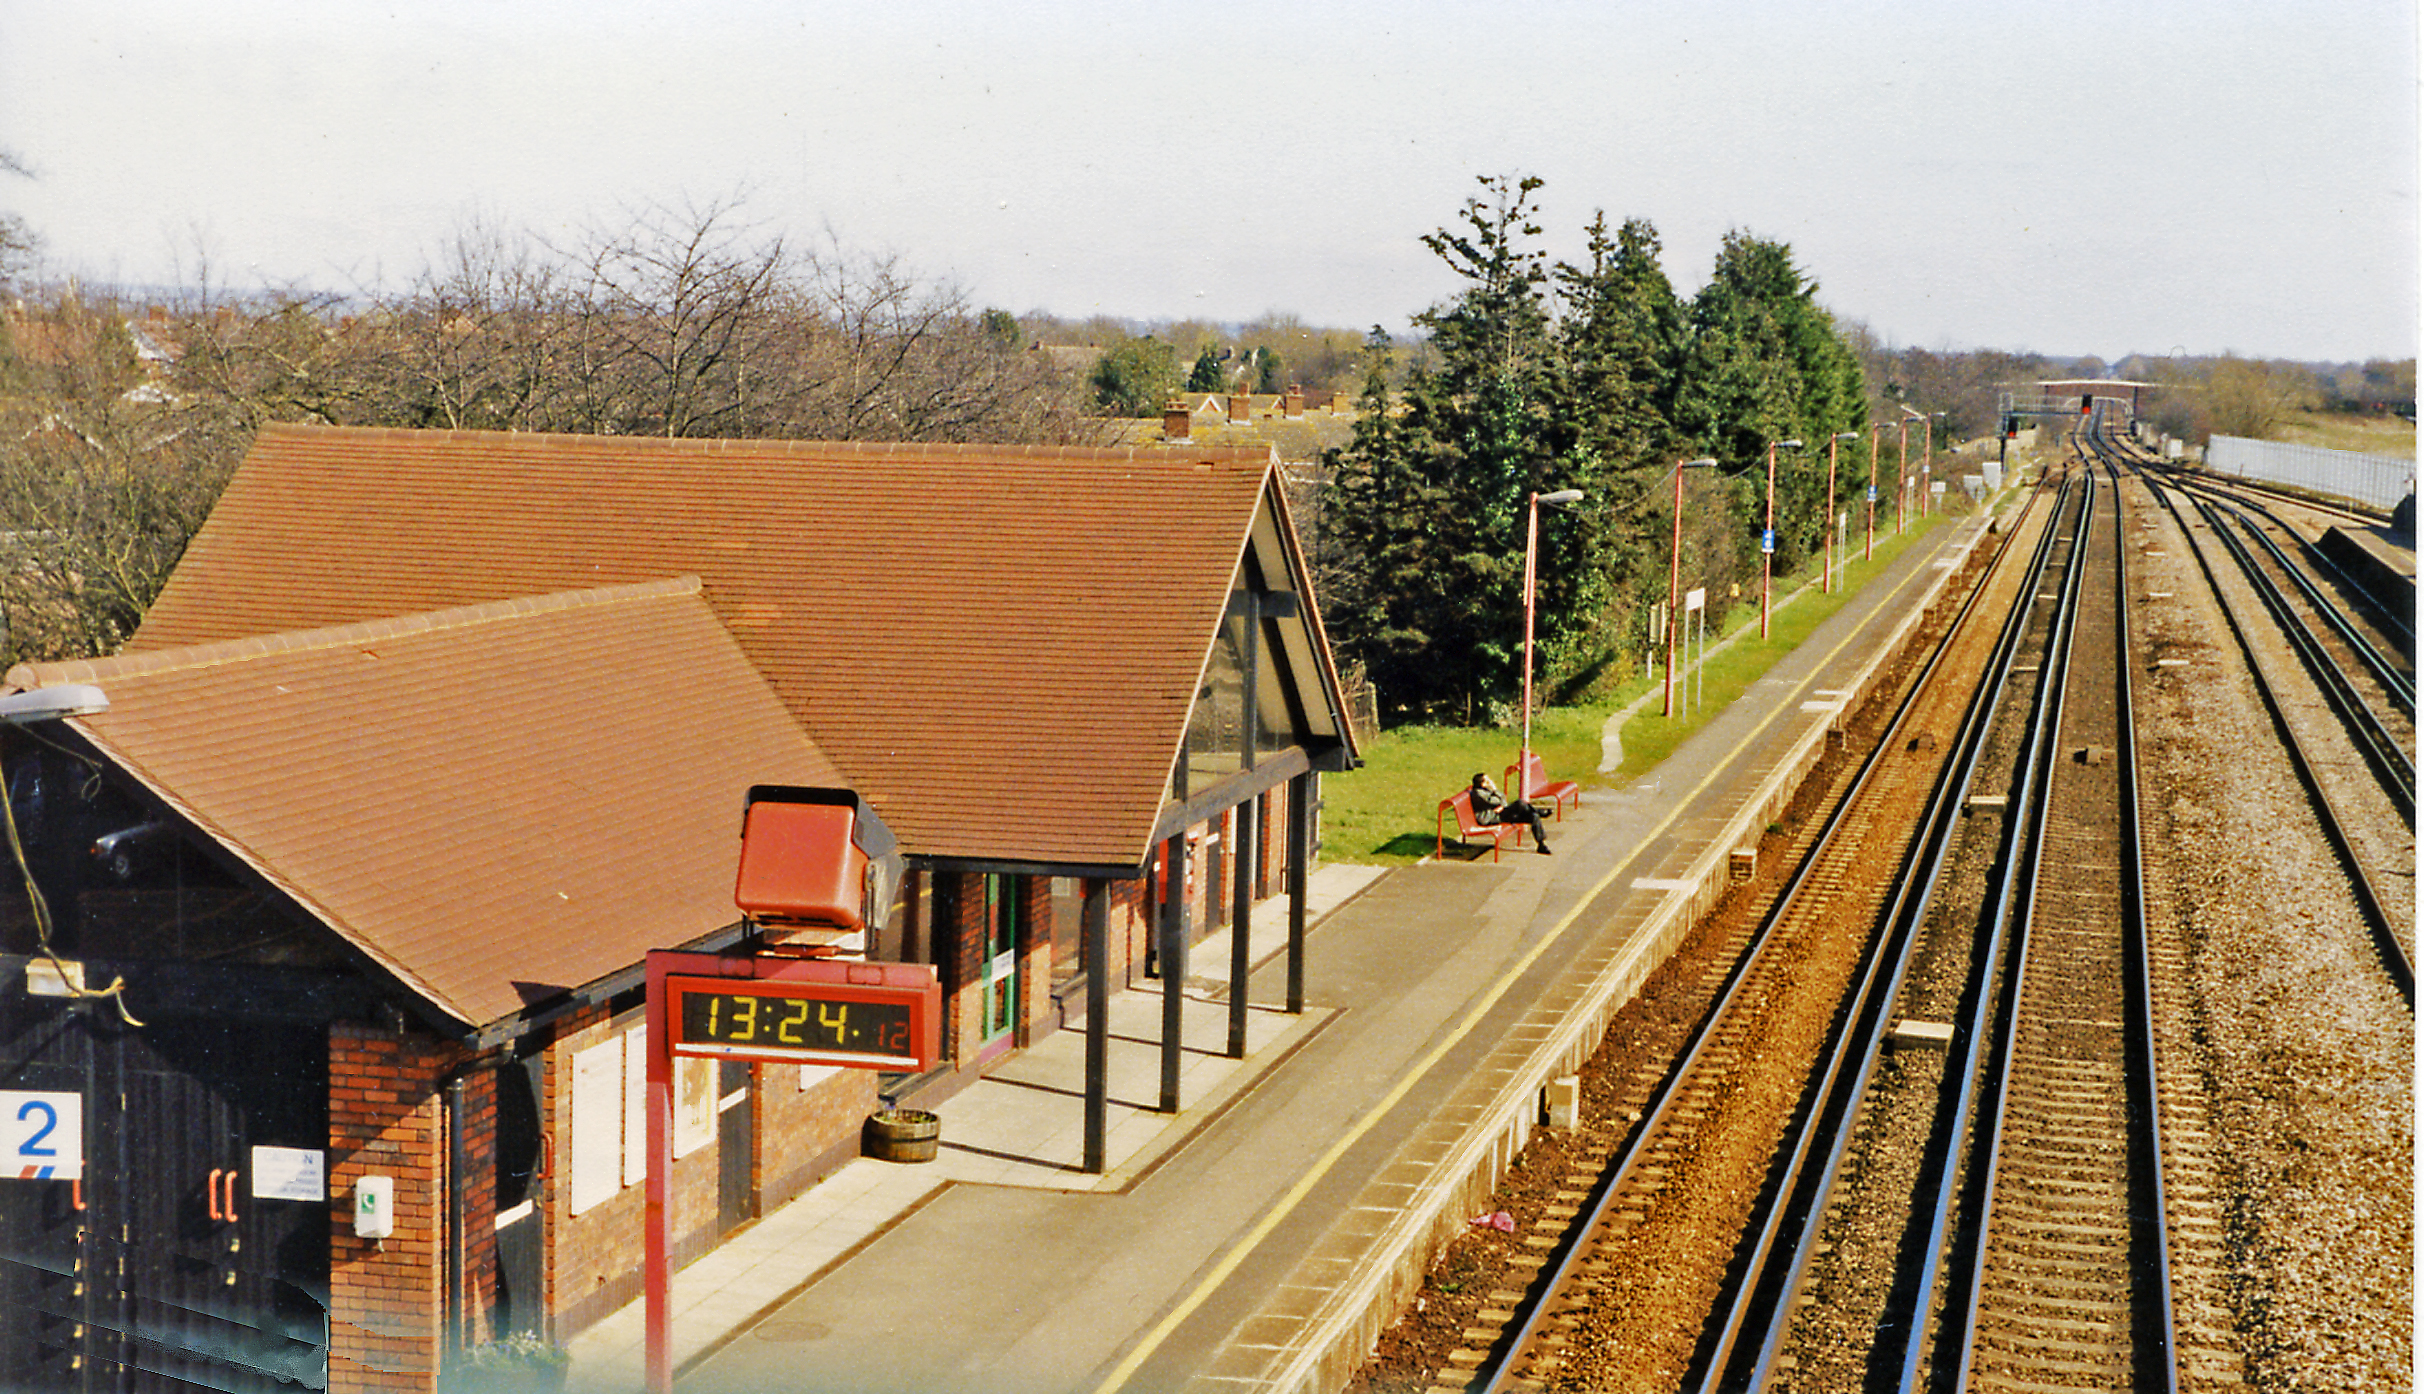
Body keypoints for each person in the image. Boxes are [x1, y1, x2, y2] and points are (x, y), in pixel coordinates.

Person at [1469, 772, 1552, 855]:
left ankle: (1541, 844)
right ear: (1482, 784)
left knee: (1534, 816)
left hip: (1500, 812)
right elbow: (1496, 801)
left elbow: (1503, 799)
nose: (1490, 781)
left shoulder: (1486, 789)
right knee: (1519, 803)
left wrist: (1501, 805)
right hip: (1492, 817)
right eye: (1487, 781)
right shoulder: (1478, 793)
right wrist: (1495, 790)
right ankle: (1538, 811)